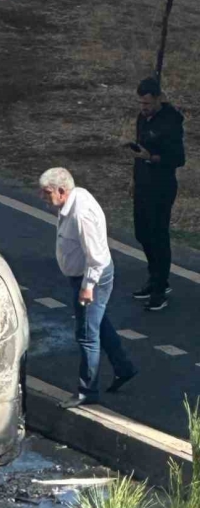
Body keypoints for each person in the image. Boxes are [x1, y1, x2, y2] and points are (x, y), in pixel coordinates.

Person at [39, 167, 137, 409]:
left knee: (86, 336)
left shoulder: (80, 214)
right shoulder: (74, 199)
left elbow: (96, 257)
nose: (43, 198)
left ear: (61, 191)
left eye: (46, 193)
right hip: (85, 276)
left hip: (92, 277)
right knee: (98, 323)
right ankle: (124, 367)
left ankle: (87, 391)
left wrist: (88, 287)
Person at [130, 76, 185, 312]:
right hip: (143, 182)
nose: (144, 109)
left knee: (158, 236)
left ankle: (160, 288)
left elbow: (178, 159)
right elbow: (140, 149)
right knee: (142, 233)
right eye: (141, 104)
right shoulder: (141, 119)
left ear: (159, 99)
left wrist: (152, 158)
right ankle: (155, 276)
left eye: (148, 104)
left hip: (161, 186)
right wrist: (134, 178)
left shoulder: (171, 123)